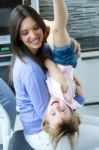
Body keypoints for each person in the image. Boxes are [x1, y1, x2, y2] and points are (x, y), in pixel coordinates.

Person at [9, 2, 99, 150]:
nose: (33, 36)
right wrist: (77, 99)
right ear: (18, 37)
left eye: (36, 27)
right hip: (45, 134)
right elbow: (49, 113)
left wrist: (70, 42)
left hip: (52, 125)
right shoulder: (29, 70)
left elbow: (55, 34)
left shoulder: (35, 50)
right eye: (25, 33)